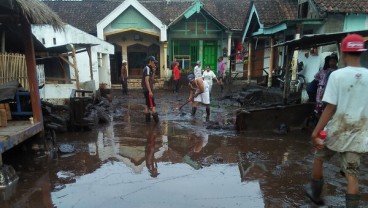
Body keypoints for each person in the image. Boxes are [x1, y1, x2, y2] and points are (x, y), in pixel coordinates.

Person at [305, 34, 368, 207]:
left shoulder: (337, 75)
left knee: (319, 158)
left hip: (337, 129)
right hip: (359, 133)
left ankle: (317, 196)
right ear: (361, 53)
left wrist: (316, 131)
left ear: (343, 52)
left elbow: (330, 107)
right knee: (352, 174)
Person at [141, 56, 159, 123]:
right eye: (154, 63)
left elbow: (151, 79)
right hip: (147, 90)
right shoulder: (147, 68)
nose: (155, 64)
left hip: (146, 90)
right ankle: (157, 123)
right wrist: (150, 91)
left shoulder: (149, 69)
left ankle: (147, 122)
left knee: (147, 105)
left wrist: (154, 72)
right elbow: (146, 80)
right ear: (150, 62)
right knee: (153, 105)